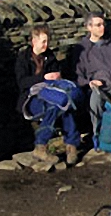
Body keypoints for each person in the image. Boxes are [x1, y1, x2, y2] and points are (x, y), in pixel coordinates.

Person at [15, 24, 80, 165]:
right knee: (56, 105)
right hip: (30, 100)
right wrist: (44, 77)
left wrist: (57, 76)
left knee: (63, 104)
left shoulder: (49, 56)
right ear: (34, 41)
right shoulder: (23, 58)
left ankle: (68, 146)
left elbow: (56, 79)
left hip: (50, 95)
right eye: (43, 41)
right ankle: (55, 144)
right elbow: (22, 82)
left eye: (47, 41)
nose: (46, 44)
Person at [74, 12, 111, 147]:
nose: (102, 28)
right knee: (94, 103)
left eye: (103, 24)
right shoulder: (82, 48)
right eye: (97, 25)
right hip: (97, 86)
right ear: (89, 27)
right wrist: (89, 82)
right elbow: (78, 75)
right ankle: (98, 137)